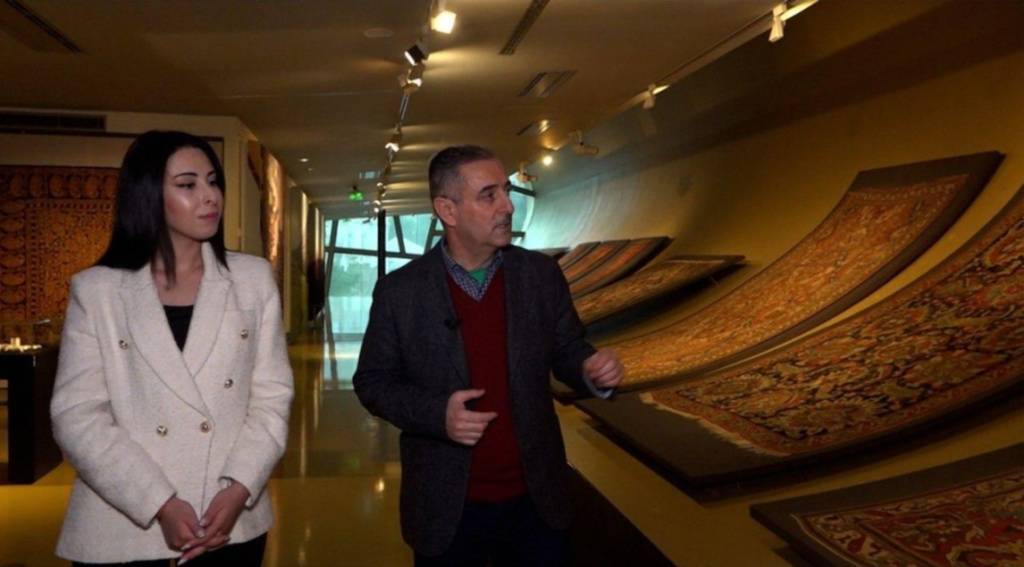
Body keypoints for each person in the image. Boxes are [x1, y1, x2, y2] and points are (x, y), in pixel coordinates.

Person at [354, 145, 624, 566]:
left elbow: (569, 349)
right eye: (489, 195)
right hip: (447, 508)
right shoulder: (400, 292)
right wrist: (437, 414)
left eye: (507, 191)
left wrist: (590, 368)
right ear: (447, 209)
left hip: (537, 502)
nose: (508, 207)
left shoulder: (540, 276)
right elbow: (373, 382)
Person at [50, 130, 294, 566]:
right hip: (123, 525)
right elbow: (76, 414)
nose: (209, 196)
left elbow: (272, 397)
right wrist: (158, 502)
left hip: (228, 519)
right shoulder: (98, 291)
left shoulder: (252, 280)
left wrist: (239, 488)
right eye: (187, 185)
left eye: (213, 181)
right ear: (148, 196)